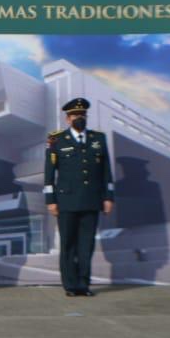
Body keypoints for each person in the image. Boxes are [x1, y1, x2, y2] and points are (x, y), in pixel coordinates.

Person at [45, 97, 115, 297]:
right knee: (68, 244)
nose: (79, 118)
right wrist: (50, 200)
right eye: (75, 115)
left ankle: (83, 285)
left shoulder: (97, 139)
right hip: (66, 201)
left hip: (91, 200)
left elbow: (106, 171)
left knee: (86, 245)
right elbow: (49, 173)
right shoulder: (56, 139)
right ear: (67, 119)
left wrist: (108, 197)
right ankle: (70, 286)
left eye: (82, 115)